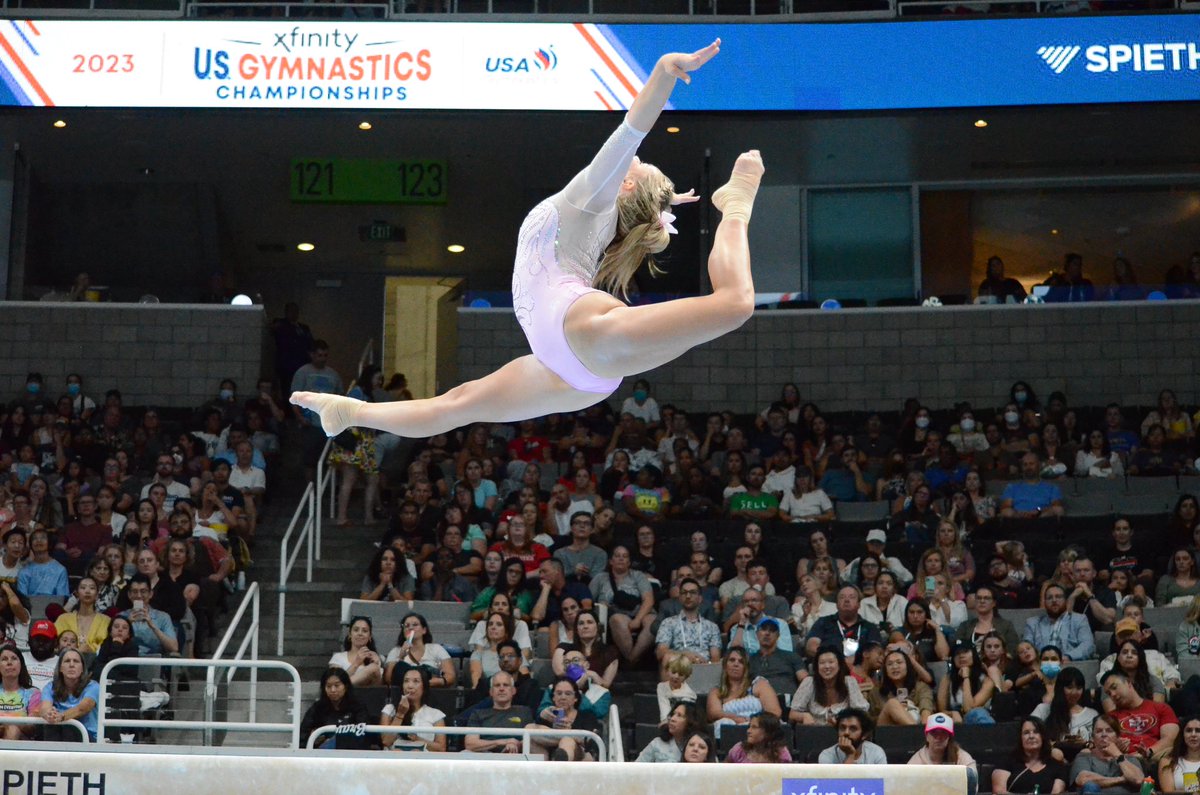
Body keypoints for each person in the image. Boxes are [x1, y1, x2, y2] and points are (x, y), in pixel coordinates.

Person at [292, 42, 763, 457]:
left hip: (578, 336)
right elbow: (633, 158)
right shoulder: (597, 204)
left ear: (623, 186)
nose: (633, 160)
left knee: (735, 304)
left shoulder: (593, 195)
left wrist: (662, 72)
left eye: (636, 167)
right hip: (571, 362)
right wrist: (654, 196)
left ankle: (735, 204)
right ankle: (351, 412)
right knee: (457, 405)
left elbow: (632, 130)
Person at [590, 546, 656, 664]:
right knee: (617, 619)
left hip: (641, 612)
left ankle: (631, 659)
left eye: (625, 556)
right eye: (617, 556)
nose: (621, 559)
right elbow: (588, 600)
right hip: (616, 614)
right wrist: (600, 604)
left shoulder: (638, 575)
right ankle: (632, 658)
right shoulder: (600, 578)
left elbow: (649, 600)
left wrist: (638, 619)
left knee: (653, 620)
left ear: (629, 562)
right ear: (611, 561)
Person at [1102, 669, 1179, 758]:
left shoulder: (1161, 708)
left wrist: (1148, 752)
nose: (1113, 694)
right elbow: (1104, 746)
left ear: (1128, 682)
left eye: (1114, 687)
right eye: (1109, 693)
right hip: (1124, 762)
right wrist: (1117, 749)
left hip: (1155, 758)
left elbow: (1170, 739)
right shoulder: (1110, 718)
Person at [654, 577, 721, 675]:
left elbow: (715, 657)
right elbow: (660, 652)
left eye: (693, 592)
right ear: (680, 598)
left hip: (704, 669)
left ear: (700, 598)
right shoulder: (668, 623)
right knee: (667, 657)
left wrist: (703, 662)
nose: (688, 596)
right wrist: (685, 655)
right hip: (678, 670)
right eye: (684, 593)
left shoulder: (712, 627)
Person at [788, 645, 869, 726]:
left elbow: (861, 713)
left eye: (831, 662)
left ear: (839, 665)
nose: (827, 666)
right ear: (817, 666)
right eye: (822, 663)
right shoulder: (809, 682)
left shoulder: (849, 681)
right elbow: (792, 714)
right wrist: (804, 716)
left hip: (843, 733)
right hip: (813, 733)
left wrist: (842, 722)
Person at [528, 676, 601, 761]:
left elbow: (591, 744)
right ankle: (574, 736)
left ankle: (570, 739)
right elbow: (533, 729)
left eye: (568, 694)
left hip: (580, 758)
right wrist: (542, 715)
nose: (563, 697)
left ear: (575, 698)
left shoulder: (587, 716)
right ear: (553, 697)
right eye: (559, 693)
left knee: (567, 740)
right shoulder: (548, 716)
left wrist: (569, 733)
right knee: (529, 728)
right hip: (550, 756)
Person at [1069, 714, 1145, 794]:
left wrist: (1118, 755)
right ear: (1093, 737)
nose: (1104, 735)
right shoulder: (1084, 757)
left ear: (1118, 736)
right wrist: (1122, 779)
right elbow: (1083, 779)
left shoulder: (1130, 760)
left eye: (1109, 731)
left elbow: (1138, 779)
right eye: (1099, 731)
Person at [1033, 666, 1099, 757]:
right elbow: (1030, 733)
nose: (1074, 692)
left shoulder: (1092, 715)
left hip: (1082, 759)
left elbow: (1097, 745)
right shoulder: (1043, 709)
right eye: (1069, 687)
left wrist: (1084, 743)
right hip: (1050, 759)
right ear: (1060, 688)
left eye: (1079, 688)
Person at [992, 717, 1069, 794]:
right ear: (1020, 738)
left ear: (1042, 736)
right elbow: (999, 792)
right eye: (1026, 733)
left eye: (1036, 732)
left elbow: (1056, 793)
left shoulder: (1056, 767)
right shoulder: (1006, 763)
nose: (1031, 736)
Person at [464, 671, 536, 754]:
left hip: (517, 756)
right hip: (484, 757)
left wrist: (516, 745)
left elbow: (531, 740)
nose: (501, 689)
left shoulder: (524, 711)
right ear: (491, 692)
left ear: (513, 690)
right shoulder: (478, 714)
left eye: (506, 685)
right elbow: (470, 744)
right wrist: (501, 742)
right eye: (497, 685)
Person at [299, 667, 371, 749]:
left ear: (346, 686)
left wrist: (337, 741)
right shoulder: (317, 708)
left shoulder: (358, 707)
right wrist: (314, 739)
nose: (333, 690)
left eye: (337, 685)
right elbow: (302, 736)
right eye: (328, 686)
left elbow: (363, 734)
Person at [379, 667, 447, 752]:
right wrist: (400, 714)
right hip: (394, 759)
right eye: (406, 681)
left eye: (416, 681)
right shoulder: (389, 709)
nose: (410, 686)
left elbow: (441, 748)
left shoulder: (436, 714)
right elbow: (386, 741)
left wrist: (417, 739)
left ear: (424, 687)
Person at [908, 713, 979, 795]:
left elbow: (973, 786)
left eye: (943, 733)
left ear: (949, 737)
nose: (939, 737)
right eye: (934, 733)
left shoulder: (962, 757)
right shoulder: (916, 761)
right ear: (927, 736)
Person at [38, 649, 99, 742]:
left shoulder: (93, 686)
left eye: (76, 661)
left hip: (88, 737)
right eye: (67, 661)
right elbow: (44, 708)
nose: (71, 665)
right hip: (58, 733)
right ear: (60, 668)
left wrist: (62, 717)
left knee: (69, 727)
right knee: (50, 727)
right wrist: (49, 715)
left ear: (82, 668)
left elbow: (83, 708)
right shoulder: (50, 687)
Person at [1023, 584, 1095, 661]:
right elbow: (1026, 648)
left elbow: (1088, 645)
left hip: (1069, 665)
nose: (1054, 600)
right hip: (1041, 665)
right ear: (1044, 602)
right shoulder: (1033, 623)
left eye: (1058, 597)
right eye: (1050, 598)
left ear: (1066, 600)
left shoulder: (1079, 620)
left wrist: (1068, 656)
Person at [383, 613, 456, 688]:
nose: (411, 628)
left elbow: (450, 677)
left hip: (432, 691)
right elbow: (389, 679)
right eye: (407, 626)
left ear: (424, 630)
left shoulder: (436, 649)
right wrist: (401, 657)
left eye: (415, 625)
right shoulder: (395, 651)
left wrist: (425, 683)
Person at [118, 574, 179, 656]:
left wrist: (152, 625)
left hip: (154, 661)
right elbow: (113, 644)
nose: (139, 596)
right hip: (127, 660)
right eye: (135, 592)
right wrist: (127, 624)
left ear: (150, 594)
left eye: (143, 591)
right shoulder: (121, 617)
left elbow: (174, 647)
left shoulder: (163, 617)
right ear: (129, 595)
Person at [938, 641, 997, 725]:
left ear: (973, 654)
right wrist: (952, 713)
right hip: (954, 722)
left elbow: (969, 709)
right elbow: (941, 710)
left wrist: (966, 677)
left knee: (978, 712)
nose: (961, 656)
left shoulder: (986, 681)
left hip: (978, 723)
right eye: (957, 653)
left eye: (965, 652)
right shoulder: (947, 679)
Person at [872, 648, 935, 726]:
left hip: (917, 726)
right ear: (885, 669)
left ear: (908, 666)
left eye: (899, 662)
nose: (894, 667)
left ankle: (917, 734)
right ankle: (917, 734)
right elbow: (871, 719)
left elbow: (926, 710)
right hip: (886, 732)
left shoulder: (921, 687)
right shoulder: (876, 691)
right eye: (890, 664)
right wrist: (894, 711)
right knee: (892, 703)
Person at [1000, 453, 1065, 519]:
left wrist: (1038, 510)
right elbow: (1005, 508)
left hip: (1042, 519)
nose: (1028, 467)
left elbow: (1057, 506)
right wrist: (1019, 514)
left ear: (1039, 465)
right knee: (1007, 512)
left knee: (1058, 510)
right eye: (1025, 464)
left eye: (1031, 464)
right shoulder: (1012, 488)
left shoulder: (1052, 488)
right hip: (1018, 520)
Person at [0, 642, 40, 740]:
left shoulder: (33, 693)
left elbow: (31, 727)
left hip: (22, 742)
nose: (9, 662)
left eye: (14, 658)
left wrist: (6, 721)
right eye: (4, 659)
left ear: (21, 665)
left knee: (13, 730)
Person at [329, 616, 384, 687]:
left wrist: (377, 664)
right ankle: (341, 688)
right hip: (344, 696)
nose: (360, 633)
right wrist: (356, 663)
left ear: (369, 637)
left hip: (367, 696)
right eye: (356, 630)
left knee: (373, 667)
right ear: (349, 635)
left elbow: (380, 687)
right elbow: (333, 681)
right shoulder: (338, 657)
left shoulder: (376, 658)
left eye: (364, 631)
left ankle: (342, 687)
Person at [725, 712, 791, 763]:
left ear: (768, 731)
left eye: (754, 727)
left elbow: (789, 777)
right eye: (749, 727)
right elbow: (724, 772)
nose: (748, 731)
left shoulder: (781, 752)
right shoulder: (739, 749)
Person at [1158, 716, 1200, 794]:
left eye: (1198, 731)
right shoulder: (1168, 762)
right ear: (1182, 734)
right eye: (1189, 730)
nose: (1193, 734)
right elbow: (1168, 793)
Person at [656, 656, 697, 722]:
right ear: (667, 671)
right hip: (666, 722)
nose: (676, 676)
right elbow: (663, 706)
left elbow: (684, 717)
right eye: (673, 672)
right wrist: (665, 721)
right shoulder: (661, 687)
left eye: (681, 674)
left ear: (686, 676)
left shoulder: (690, 694)